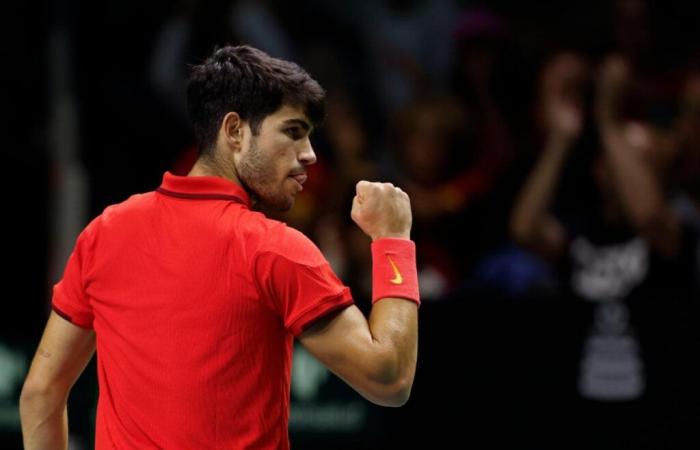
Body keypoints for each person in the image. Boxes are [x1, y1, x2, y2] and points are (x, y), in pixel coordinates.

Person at [19, 45, 420, 450]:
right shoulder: (273, 249)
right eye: (293, 132)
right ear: (234, 131)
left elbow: (41, 394)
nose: (310, 155)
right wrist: (393, 239)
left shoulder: (105, 232)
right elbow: (389, 379)